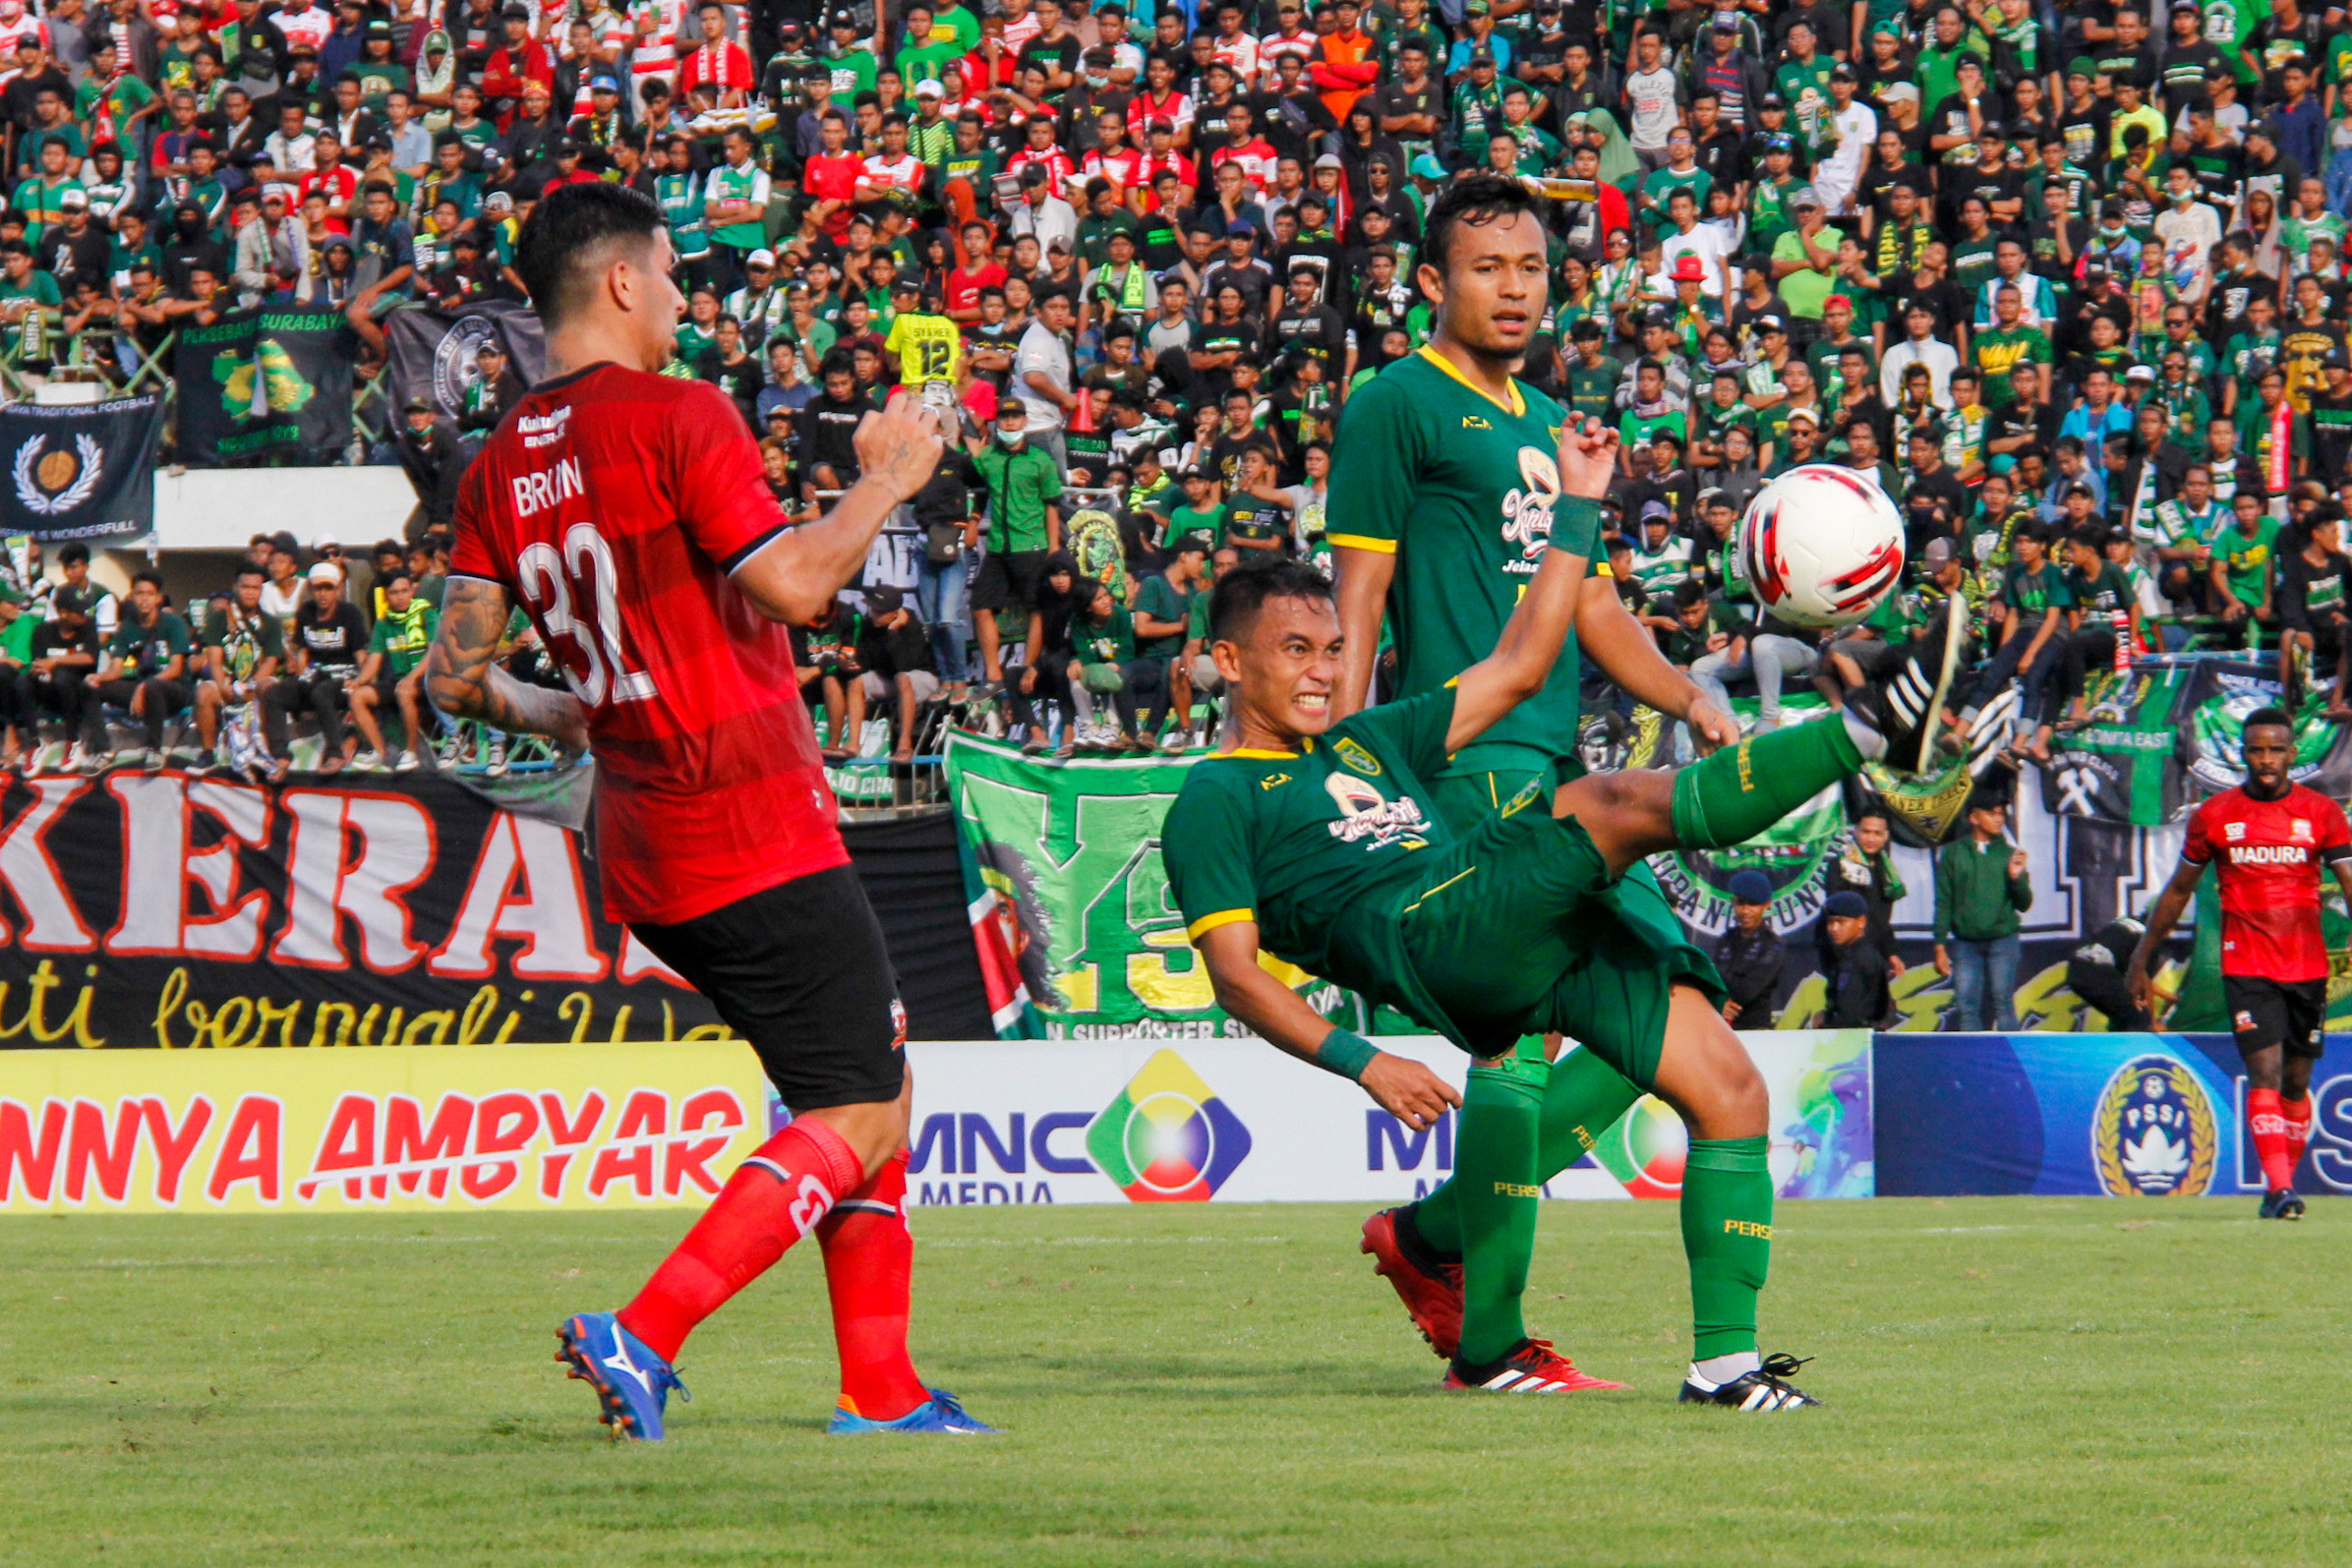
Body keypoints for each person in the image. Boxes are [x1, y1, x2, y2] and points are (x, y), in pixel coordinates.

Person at [1164, 446, 1959, 1404]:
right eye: (1295, 650)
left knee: (1726, 1082)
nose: (1320, 670)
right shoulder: (1213, 794)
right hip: (1431, 933)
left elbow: (1520, 662)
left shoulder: (1363, 739)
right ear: (1224, 660)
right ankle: (1869, 732)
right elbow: (1235, 975)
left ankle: (1725, 1366)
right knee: (1607, 801)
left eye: (1333, 650)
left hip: (1501, 925)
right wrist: (1361, 1060)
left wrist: (1576, 509)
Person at [418, 182, 995, 1439]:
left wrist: (562, 713)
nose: (685, 298)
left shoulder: (495, 462)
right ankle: (646, 1329)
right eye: (675, 274)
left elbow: (453, 677)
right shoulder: (678, 412)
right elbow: (791, 584)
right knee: (857, 1108)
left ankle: (882, 1388)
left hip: (642, 838)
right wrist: (885, 481)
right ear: (622, 282)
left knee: (863, 1090)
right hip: (747, 819)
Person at [2129, 708, 2352, 1221]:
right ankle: (2279, 1188)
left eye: (2276, 749)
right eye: (2257, 749)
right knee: (2266, 1072)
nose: (2266, 760)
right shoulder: (2216, 815)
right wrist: (2143, 955)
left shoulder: (2321, 813)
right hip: (2246, 963)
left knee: (2297, 1081)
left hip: (2307, 965)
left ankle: (2281, 1190)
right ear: (2243, 753)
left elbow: (2347, 878)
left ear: (2293, 755)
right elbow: (2179, 890)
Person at [1932, 790, 2032, 1030]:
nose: (1999, 819)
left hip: (2003, 939)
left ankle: (2012, 1063)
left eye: (2001, 814)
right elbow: (1944, 901)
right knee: (1967, 1006)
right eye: (1992, 814)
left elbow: (2024, 904)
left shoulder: (2009, 854)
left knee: (2003, 1003)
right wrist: (1939, 944)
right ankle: (1972, 1064)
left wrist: (2016, 878)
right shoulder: (1954, 853)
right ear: (1974, 818)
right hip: (1965, 942)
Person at [263, 559, 369, 781]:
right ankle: (280, 755)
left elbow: (361, 654)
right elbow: (303, 652)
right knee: (274, 693)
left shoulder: (350, 614)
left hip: (343, 676)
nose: (323, 594)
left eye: (328, 588)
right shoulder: (306, 612)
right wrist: (300, 678)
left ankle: (335, 752)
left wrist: (364, 682)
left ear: (337, 589)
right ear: (311, 589)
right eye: (318, 588)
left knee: (322, 692)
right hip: (315, 674)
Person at [87, 568, 191, 772]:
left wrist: (144, 686)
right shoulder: (127, 626)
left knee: (153, 686)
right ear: (132, 597)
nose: (144, 599)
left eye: (149, 594)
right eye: (139, 593)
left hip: (173, 690)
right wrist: (98, 677)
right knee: (90, 687)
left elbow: (176, 668)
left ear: (159, 598)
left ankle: (155, 749)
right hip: (140, 687)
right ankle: (102, 750)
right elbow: (116, 668)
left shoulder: (174, 623)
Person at [348, 569, 436, 771]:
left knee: (403, 691)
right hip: (397, 680)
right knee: (357, 696)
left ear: (412, 591)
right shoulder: (384, 621)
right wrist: (359, 681)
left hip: (427, 680)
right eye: (395, 592)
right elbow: (374, 660)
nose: (400, 596)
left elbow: (433, 653)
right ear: (387, 594)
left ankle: (411, 753)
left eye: (404, 591)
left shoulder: (426, 613)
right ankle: (380, 752)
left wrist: (412, 677)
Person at [1713, 868, 1784, 1025]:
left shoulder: (1773, 945)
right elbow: (1711, 983)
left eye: (1753, 904)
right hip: (1722, 1029)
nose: (1745, 911)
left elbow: (1746, 992)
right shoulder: (1725, 940)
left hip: (1756, 1030)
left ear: (1767, 905)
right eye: (1740, 903)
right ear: (1733, 902)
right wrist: (1719, 1002)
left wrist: (1721, 976)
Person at [1817, 890, 1889, 1027]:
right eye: (1830, 922)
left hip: (1854, 1039)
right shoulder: (1857, 954)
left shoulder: (1858, 959)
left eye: (1841, 922)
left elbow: (1848, 1012)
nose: (1834, 928)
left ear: (1861, 922)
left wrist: (1825, 1025)